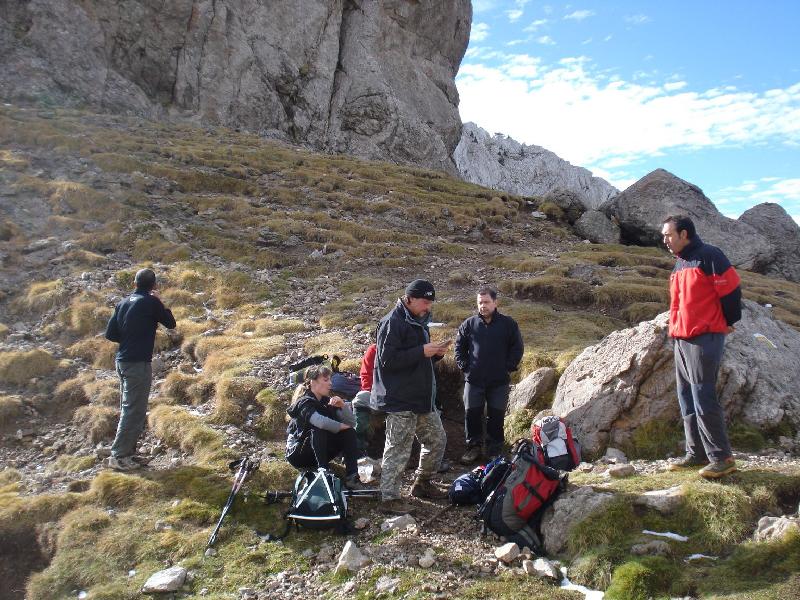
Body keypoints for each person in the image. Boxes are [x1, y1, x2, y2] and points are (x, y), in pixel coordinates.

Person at [661, 215, 742, 479]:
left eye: (668, 235)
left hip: (704, 337)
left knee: (703, 396)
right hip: (681, 338)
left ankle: (722, 458)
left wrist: (729, 321)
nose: (665, 240)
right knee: (686, 397)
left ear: (684, 234)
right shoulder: (680, 263)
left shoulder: (710, 256)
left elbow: (731, 290)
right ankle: (696, 454)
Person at [372, 279, 450, 513]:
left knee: (437, 439)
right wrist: (421, 351)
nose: (428, 307)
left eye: (430, 303)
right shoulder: (392, 322)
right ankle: (389, 498)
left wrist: (435, 354)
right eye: (425, 302)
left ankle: (422, 483)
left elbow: (417, 359)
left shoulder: (418, 321)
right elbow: (387, 361)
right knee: (398, 448)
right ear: (410, 299)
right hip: (399, 399)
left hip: (421, 398)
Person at [104, 268, 176, 471]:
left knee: (128, 407)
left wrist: (130, 337)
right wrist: (160, 302)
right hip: (138, 363)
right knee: (134, 410)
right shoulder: (151, 302)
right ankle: (119, 456)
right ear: (154, 285)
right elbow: (170, 323)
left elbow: (110, 334)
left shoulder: (122, 303)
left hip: (122, 361)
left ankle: (128, 453)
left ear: (134, 283)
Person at [455, 286, 524, 463]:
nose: (483, 306)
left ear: (495, 302)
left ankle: (494, 451)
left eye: (486, 302)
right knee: (471, 414)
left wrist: (507, 367)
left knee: (496, 416)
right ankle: (473, 448)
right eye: (480, 302)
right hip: (474, 380)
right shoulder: (469, 324)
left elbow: (517, 348)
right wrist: (465, 367)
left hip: (499, 382)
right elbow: (459, 348)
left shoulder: (508, 324)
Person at [285, 364, 364, 489]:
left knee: (349, 433)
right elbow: (319, 422)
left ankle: (352, 477)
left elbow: (352, 423)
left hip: (316, 452)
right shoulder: (304, 402)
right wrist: (341, 426)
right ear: (313, 382)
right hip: (297, 454)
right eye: (326, 380)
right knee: (319, 428)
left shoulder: (327, 402)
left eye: (330, 380)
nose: (330, 383)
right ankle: (323, 472)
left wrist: (342, 406)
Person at [352, 342, 377, 456]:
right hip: (376, 394)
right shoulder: (374, 350)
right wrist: (371, 391)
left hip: (400, 396)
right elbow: (366, 375)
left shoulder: (408, 349)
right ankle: (358, 447)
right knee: (361, 398)